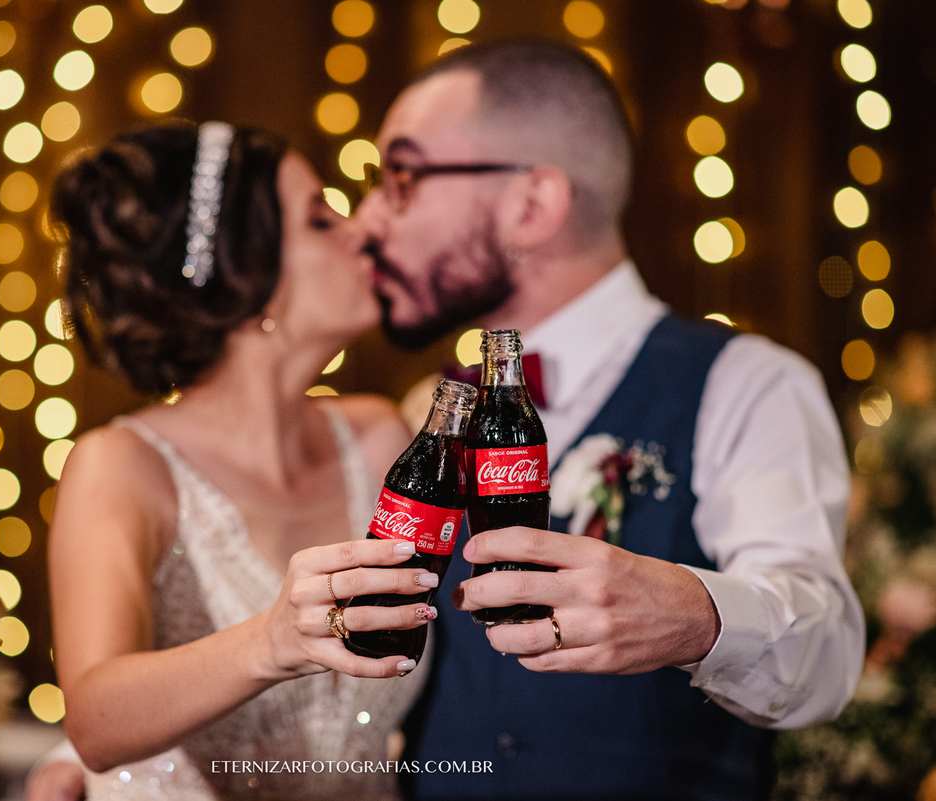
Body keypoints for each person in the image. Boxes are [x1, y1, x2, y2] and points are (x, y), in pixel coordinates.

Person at [354, 38, 865, 799]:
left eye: (401, 177)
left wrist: (696, 614)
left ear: (532, 205)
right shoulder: (424, 411)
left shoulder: (747, 383)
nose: (367, 219)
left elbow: (826, 655)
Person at [42, 120, 437, 800]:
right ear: (246, 278)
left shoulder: (379, 438)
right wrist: (271, 640)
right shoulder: (122, 466)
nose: (359, 231)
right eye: (319, 219)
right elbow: (95, 722)